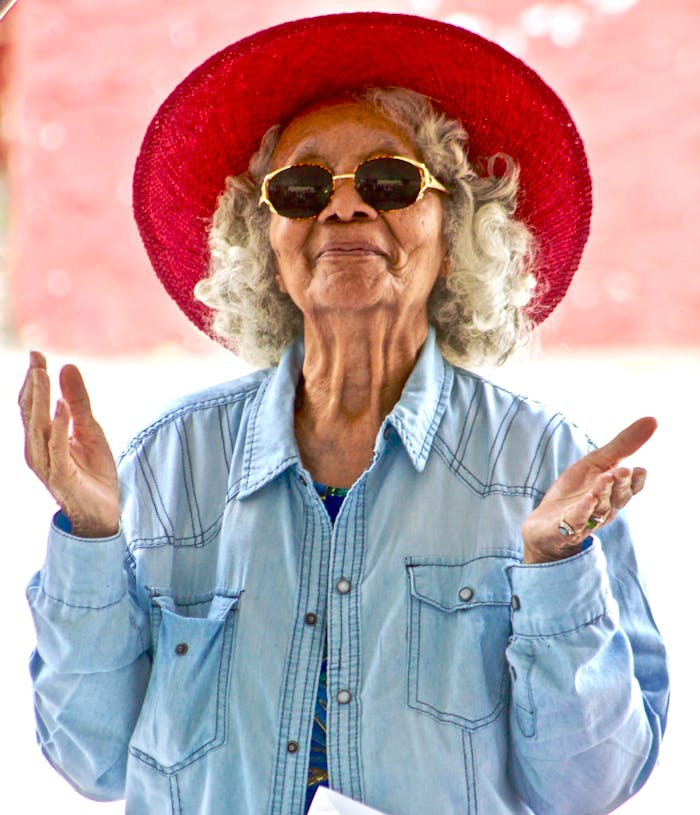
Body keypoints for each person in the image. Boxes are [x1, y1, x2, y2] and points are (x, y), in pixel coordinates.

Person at [20, 12, 668, 815]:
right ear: (264, 235)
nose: (344, 208)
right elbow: (91, 759)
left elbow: (587, 786)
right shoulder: (169, 463)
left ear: (454, 222)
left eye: (389, 181)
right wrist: (90, 541)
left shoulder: (546, 467)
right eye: (302, 188)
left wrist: (558, 567)